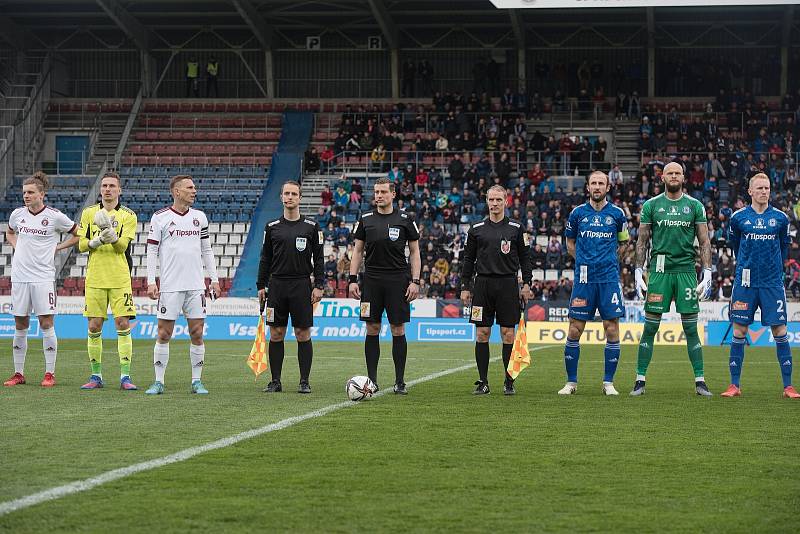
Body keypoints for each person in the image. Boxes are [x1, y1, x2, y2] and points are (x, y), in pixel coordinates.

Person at [633, 161, 713, 396]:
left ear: (684, 177)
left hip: (686, 271)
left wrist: (707, 271)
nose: (674, 176)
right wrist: (639, 271)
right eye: (670, 173)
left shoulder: (695, 206)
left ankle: (700, 381)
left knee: (691, 329)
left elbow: (705, 241)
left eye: (678, 173)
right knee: (650, 327)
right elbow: (642, 241)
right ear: (662, 177)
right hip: (659, 273)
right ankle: (640, 379)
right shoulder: (651, 205)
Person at [723, 174, 799, 398]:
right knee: (739, 330)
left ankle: (788, 387)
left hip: (772, 283)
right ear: (750, 191)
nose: (764, 191)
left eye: (767, 188)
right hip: (745, 282)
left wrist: (774, 269)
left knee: (780, 330)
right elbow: (735, 244)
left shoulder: (780, 219)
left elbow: (784, 248)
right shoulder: (738, 218)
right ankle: (734, 385)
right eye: (759, 188)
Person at [144, 175, 220, 395]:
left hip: (196, 286)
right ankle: (158, 381)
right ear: (176, 192)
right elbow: (151, 250)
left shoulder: (200, 217)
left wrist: (213, 279)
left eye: (194, 187)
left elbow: (207, 250)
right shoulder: (160, 218)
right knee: (164, 333)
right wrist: (151, 281)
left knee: (197, 332)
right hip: (170, 286)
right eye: (190, 188)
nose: (194, 191)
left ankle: (196, 381)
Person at [3, 172, 78, 388]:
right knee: (20, 324)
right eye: (24, 192)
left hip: (43, 277)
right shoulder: (17, 214)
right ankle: (18, 373)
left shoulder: (55, 216)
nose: (26, 196)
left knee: (46, 323)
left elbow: (77, 234)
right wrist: (18, 246)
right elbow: (10, 233)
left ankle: (49, 373)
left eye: (30, 192)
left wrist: (58, 247)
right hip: (19, 277)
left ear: (41, 194)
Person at [559, 171, 629, 396]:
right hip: (584, 279)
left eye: (601, 183)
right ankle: (571, 382)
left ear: (608, 187)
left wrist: (610, 261)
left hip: (608, 279)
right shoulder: (577, 214)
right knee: (574, 329)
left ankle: (608, 383)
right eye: (593, 183)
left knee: (611, 328)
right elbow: (569, 243)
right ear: (587, 187)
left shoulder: (617, 214)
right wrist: (583, 262)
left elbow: (625, 243)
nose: (597, 187)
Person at [349, 177, 421, 394]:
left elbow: (415, 252)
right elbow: (358, 251)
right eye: (376, 192)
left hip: (398, 280)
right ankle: (371, 381)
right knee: (372, 328)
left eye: (383, 192)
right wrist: (352, 279)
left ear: (393, 194)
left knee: (398, 329)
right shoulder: (366, 219)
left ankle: (400, 381)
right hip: (371, 280)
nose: (378, 195)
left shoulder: (406, 219)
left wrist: (415, 281)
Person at [460, 185, 533, 396]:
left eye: (498, 200)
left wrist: (526, 284)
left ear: (506, 201)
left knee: (507, 334)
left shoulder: (517, 228)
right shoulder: (476, 228)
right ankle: (483, 382)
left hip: (508, 285)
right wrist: (466, 285)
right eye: (491, 200)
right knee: (482, 333)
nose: (494, 204)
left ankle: (509, 381)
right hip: (482, 285)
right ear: (486, 201)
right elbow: (468, 259)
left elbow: (525, 259)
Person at [256, 181, 325, 394]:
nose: (290, 197)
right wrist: (261, 285)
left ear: (300, 198)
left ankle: (304, 381)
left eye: (294, 194)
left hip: (301, 284)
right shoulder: (271, 227)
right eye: (286, 193)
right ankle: (275, 381)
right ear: (281, 197)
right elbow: (265, 259)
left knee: (302, 333)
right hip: (276, 285)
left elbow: (319, 258)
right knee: (276, 333)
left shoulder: (312, 227)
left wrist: (319, 285)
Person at [77, 172, 139, 391]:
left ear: (119, 190)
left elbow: (122, 247)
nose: (108, 189)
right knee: (94, 326)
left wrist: (112, 237)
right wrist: (96, 241)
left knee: (122, 323)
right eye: (104, 186)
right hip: (95, 277)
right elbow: (81, 245)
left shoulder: (129, 215)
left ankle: (125, 377)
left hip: (120, 277)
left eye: (112, 186)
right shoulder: (89, 213)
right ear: (100, 189)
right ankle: (96, 376)